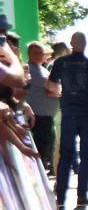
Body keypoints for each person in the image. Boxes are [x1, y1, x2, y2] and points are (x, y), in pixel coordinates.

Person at [46, 32, 88, 210]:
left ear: (71, 44)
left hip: (68, 113)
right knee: (86, 155)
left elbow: (50, 86)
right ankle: (82, 196)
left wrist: (62, 93)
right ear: (85, 44)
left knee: (66, 155)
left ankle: (60, 198)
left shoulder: (60, 63)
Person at [25, 41, 59, 174]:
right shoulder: (32, 70)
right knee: (42, 150)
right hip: (38, 118)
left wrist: (55, 90)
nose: (40, 56)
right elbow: (53, 89)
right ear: (29, 54)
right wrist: (56, 90)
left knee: (46, 148)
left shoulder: (42, 69)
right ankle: (39, 175)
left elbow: (54, 89)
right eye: (36, 53)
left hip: (45, 117)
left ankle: (42, 172)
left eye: (42, 53)